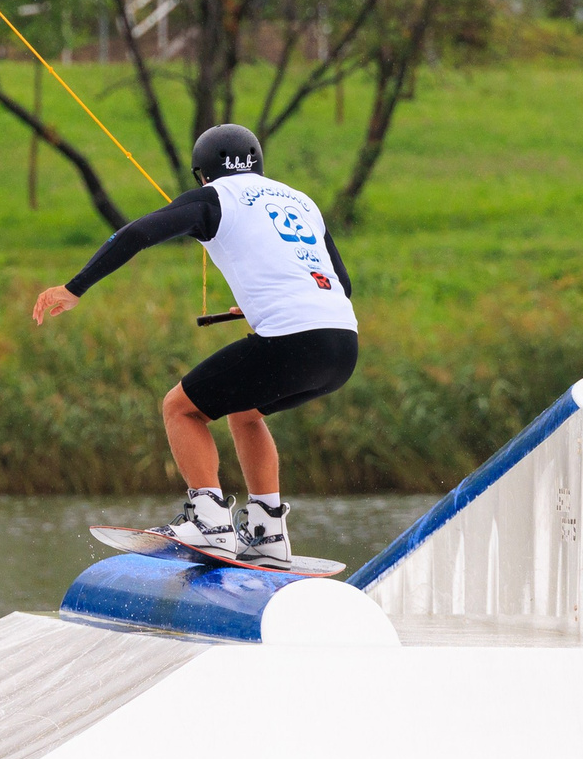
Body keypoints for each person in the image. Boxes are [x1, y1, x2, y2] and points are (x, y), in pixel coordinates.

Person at [32, 123, 358, 570]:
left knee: (181, 408)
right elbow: (343, 285)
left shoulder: (215, 197)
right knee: (246, 413)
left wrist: (75, 288)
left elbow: (135, 234)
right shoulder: (300, 201)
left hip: (290, 340)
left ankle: (209, 521)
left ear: (202, 174)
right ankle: (267, 533)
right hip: (342, 344)